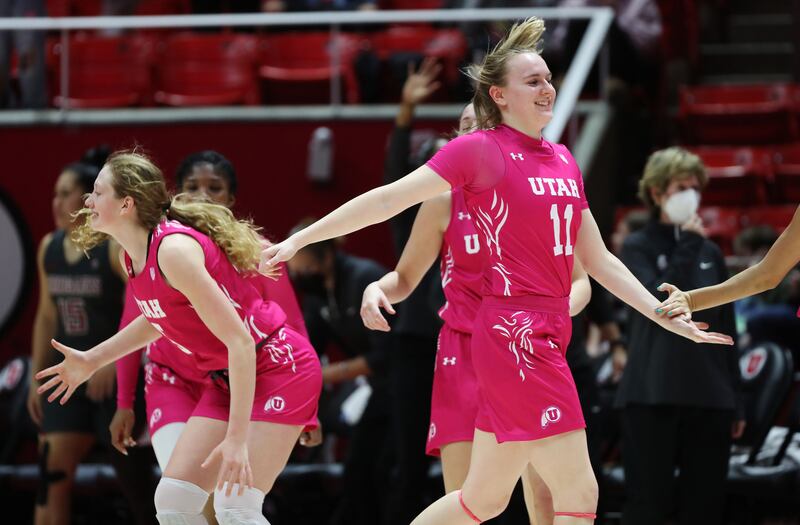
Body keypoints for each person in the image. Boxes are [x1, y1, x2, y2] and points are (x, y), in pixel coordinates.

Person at [260, 17, 731, 525]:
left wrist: (661, 313)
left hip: (548, 332)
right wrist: (301, 239)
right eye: (533, 81)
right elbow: (387, 200)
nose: (548, 88)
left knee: (482, 501)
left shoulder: (565, 161)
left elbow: (598, 261)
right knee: (577, 490)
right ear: (498, 96)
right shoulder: (479, 150)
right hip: (512, 334)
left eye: (549, 78)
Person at [35, 151, 322, 525]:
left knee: (235, 509)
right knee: (173, 502)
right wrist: (93, 359)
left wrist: (236, 440)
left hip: (280, 367)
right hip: (227, 380)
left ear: (126, 203)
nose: (88, 200)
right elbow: (159, 318)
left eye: (97, 192)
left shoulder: (174, 250)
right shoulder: (131, 256)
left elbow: (241, 342)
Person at [616, 147, 743, 525]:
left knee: (703, 508)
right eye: (680, 187)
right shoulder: (635, 247)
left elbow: (728, 324)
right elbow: (657, 305)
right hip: (650, 395)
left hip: (709, 397)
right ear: (656, 194)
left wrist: (736, 398)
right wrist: (687, 245)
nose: (690, 195)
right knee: (647, 507)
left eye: (694, 187)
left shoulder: (711, 252)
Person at [27, 159, 157, 525]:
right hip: (67, 376)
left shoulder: (113, 249)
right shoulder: (48, 248)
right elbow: (46, 316)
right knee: (50, 474)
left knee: (134, 484)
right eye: (54, 194)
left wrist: (111, 361)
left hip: (110, 378)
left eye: (65, 193)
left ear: (89, 198)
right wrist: (36, 378)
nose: (56, 202)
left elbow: (142, 311)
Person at [286, 219, 393, 525]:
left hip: (399, 386)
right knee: (358, 467)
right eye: (294, 271)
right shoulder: (318, 293)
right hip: (369, 387)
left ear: (326, 256)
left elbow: (384, 355)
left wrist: (323, 375)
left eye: (303, 269)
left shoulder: (365, 277)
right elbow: (310, 348)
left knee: (377, 468)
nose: (299, 276)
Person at [381, 57, 448, 525]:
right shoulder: (413, 212)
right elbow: (392, 171)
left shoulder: (489, 210)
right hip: (414, 345)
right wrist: (406, 108)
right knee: (409, 464)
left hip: (469, 340)